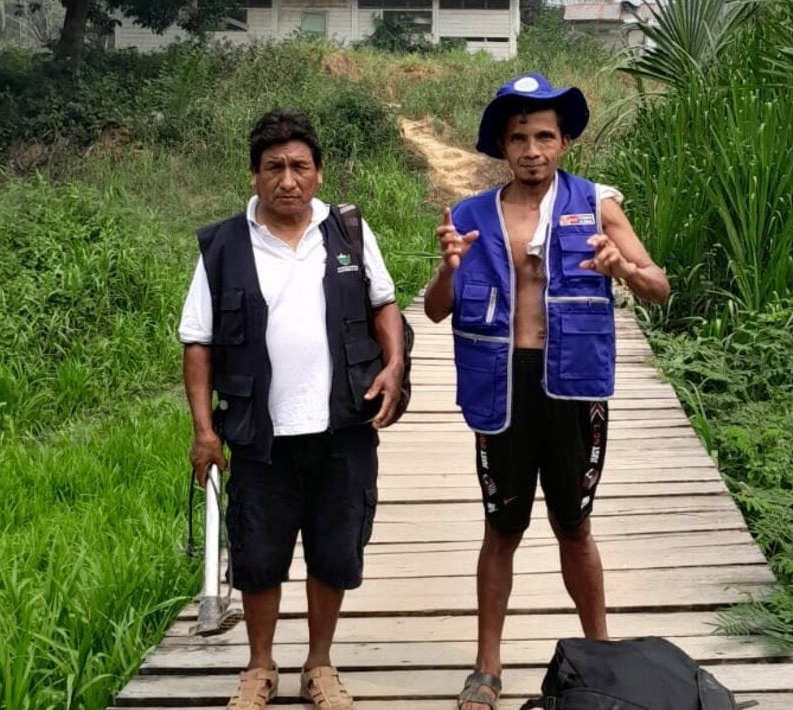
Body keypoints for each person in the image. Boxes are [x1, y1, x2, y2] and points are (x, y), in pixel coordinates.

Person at [422, 74, 672, 710]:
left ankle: (603, 660)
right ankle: (487, 665)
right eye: (518, 139)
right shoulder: (472, 216)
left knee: (574, 526)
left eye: (543, 137)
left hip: (572, 387)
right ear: (502, 147)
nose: (531, 150)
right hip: (503, 386)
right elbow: (435, 310)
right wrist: (449, 269)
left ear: (563, 143)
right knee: (500, 527)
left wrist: (622, 268)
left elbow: (658, 286)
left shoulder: (597, 204)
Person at [179, 109, 406, 710]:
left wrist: (394, 364)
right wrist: (204, 432)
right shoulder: (223, 245)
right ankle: (260, 667)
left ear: (318, 172)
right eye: (273, 167)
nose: (288, 179)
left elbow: (384, 303)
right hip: (260, 435)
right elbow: (197, 342)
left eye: (299, 166)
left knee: (335, 549)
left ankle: (319, 664)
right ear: (253, 175)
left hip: (343, 426)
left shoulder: (348, 232)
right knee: (258, 555)